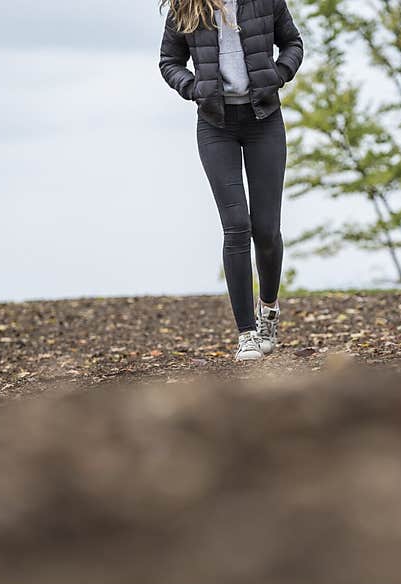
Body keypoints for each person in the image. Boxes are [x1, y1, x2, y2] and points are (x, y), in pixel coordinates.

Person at [159, 0, 303, 361]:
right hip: (215, 125)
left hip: (264, 120)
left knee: (266, 230)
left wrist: (279, 74)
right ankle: (247, 334)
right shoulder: (187, 6)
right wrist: (192, 88)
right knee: (237, 226)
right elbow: (169, 61)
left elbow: (293, 43)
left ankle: (268, 310)